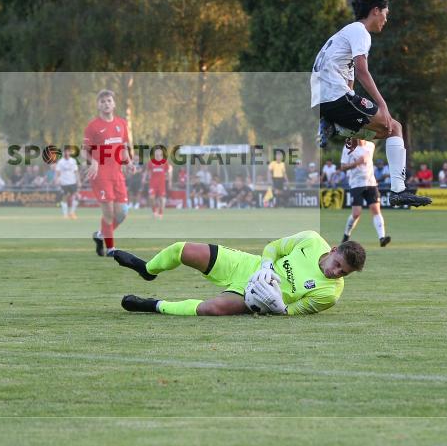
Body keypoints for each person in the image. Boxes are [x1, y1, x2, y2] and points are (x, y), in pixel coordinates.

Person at [312, 0, 430, 206]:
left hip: (323, 101)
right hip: (334, 97)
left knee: (387, 130)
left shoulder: (343, 35)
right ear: (376, 10)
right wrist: (382, 105)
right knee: (394, 126)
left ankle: (336, 126)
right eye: (385, 14)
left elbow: (349, 79)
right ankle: (398, 190)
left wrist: (354, 129)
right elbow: (361, 69)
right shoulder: (360, 32)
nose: (385, 19)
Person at [112, 231, 366, 316]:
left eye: (344, 272)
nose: (336, 273)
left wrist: (279, 309)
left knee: (211, 309)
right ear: (333, 250)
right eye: (337, 264)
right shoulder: (311, 240)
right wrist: (266, 265)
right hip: (247, 265)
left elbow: (293, 312)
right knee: (183, 250)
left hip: (254, 295)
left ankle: (152, 306)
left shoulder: (329, 295)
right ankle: (147, 270)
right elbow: (274, 248)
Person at [84, 89, 132, 257]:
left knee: (122, 213)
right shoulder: (92, 127)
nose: (106, 104)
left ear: (114, 104)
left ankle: (100, 235)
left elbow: (124, 146)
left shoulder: (121, 123)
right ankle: (111, 248)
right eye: (103, 101)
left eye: (109, 101)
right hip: (101, 176)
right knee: (109, 213)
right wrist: (94, 162)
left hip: (117, 175)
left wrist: (128, 162)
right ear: (98, 105)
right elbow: (85, 152)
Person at [340, 139, 390, 247]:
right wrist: (356, 163)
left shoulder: (371, 146)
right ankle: (346, 236)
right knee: (356, 213)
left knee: (376, 210)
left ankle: (382, 238)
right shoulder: (348, 148)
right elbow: (343, 167)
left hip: (371, 183)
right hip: (356, 184)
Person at [54, 149, 80, 219]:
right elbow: (57, 172)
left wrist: (79, 181)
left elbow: (76, 171)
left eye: (68, 151)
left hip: (73, 182)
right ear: (63, 153)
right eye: (65, 152)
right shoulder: (60, 162)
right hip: (64, 182)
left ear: (69, 153)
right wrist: (56, 179)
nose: (66, 153)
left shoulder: (73, 161)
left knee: (76, 197)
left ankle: (72, 213)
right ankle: (65, 215)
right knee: (64, 198)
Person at [145, 147, 170, 219]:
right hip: (152, 183)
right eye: (156, 155)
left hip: (161, 184)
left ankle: (161, 213)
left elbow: (168, 172)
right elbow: (147, 171)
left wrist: (169, 180)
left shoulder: (165, 162)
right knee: (151, 198)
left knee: (162, 199)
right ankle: (154, 211)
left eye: (159, 155)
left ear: (161, 155)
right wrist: (145, 178)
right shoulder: (151, 162)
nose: (157, 156)